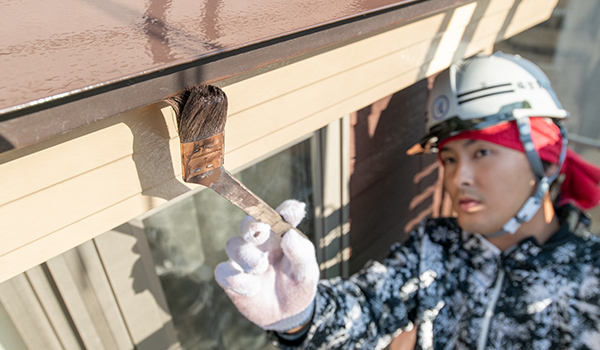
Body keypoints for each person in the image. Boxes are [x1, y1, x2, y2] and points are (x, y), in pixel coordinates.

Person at [214, 52, 600, 349]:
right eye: (449, 158)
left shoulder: (592, 279)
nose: (456, 177)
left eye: (482, 152)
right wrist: (301, 315)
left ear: (544, 154)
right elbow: (366, 307)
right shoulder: (439, 246)